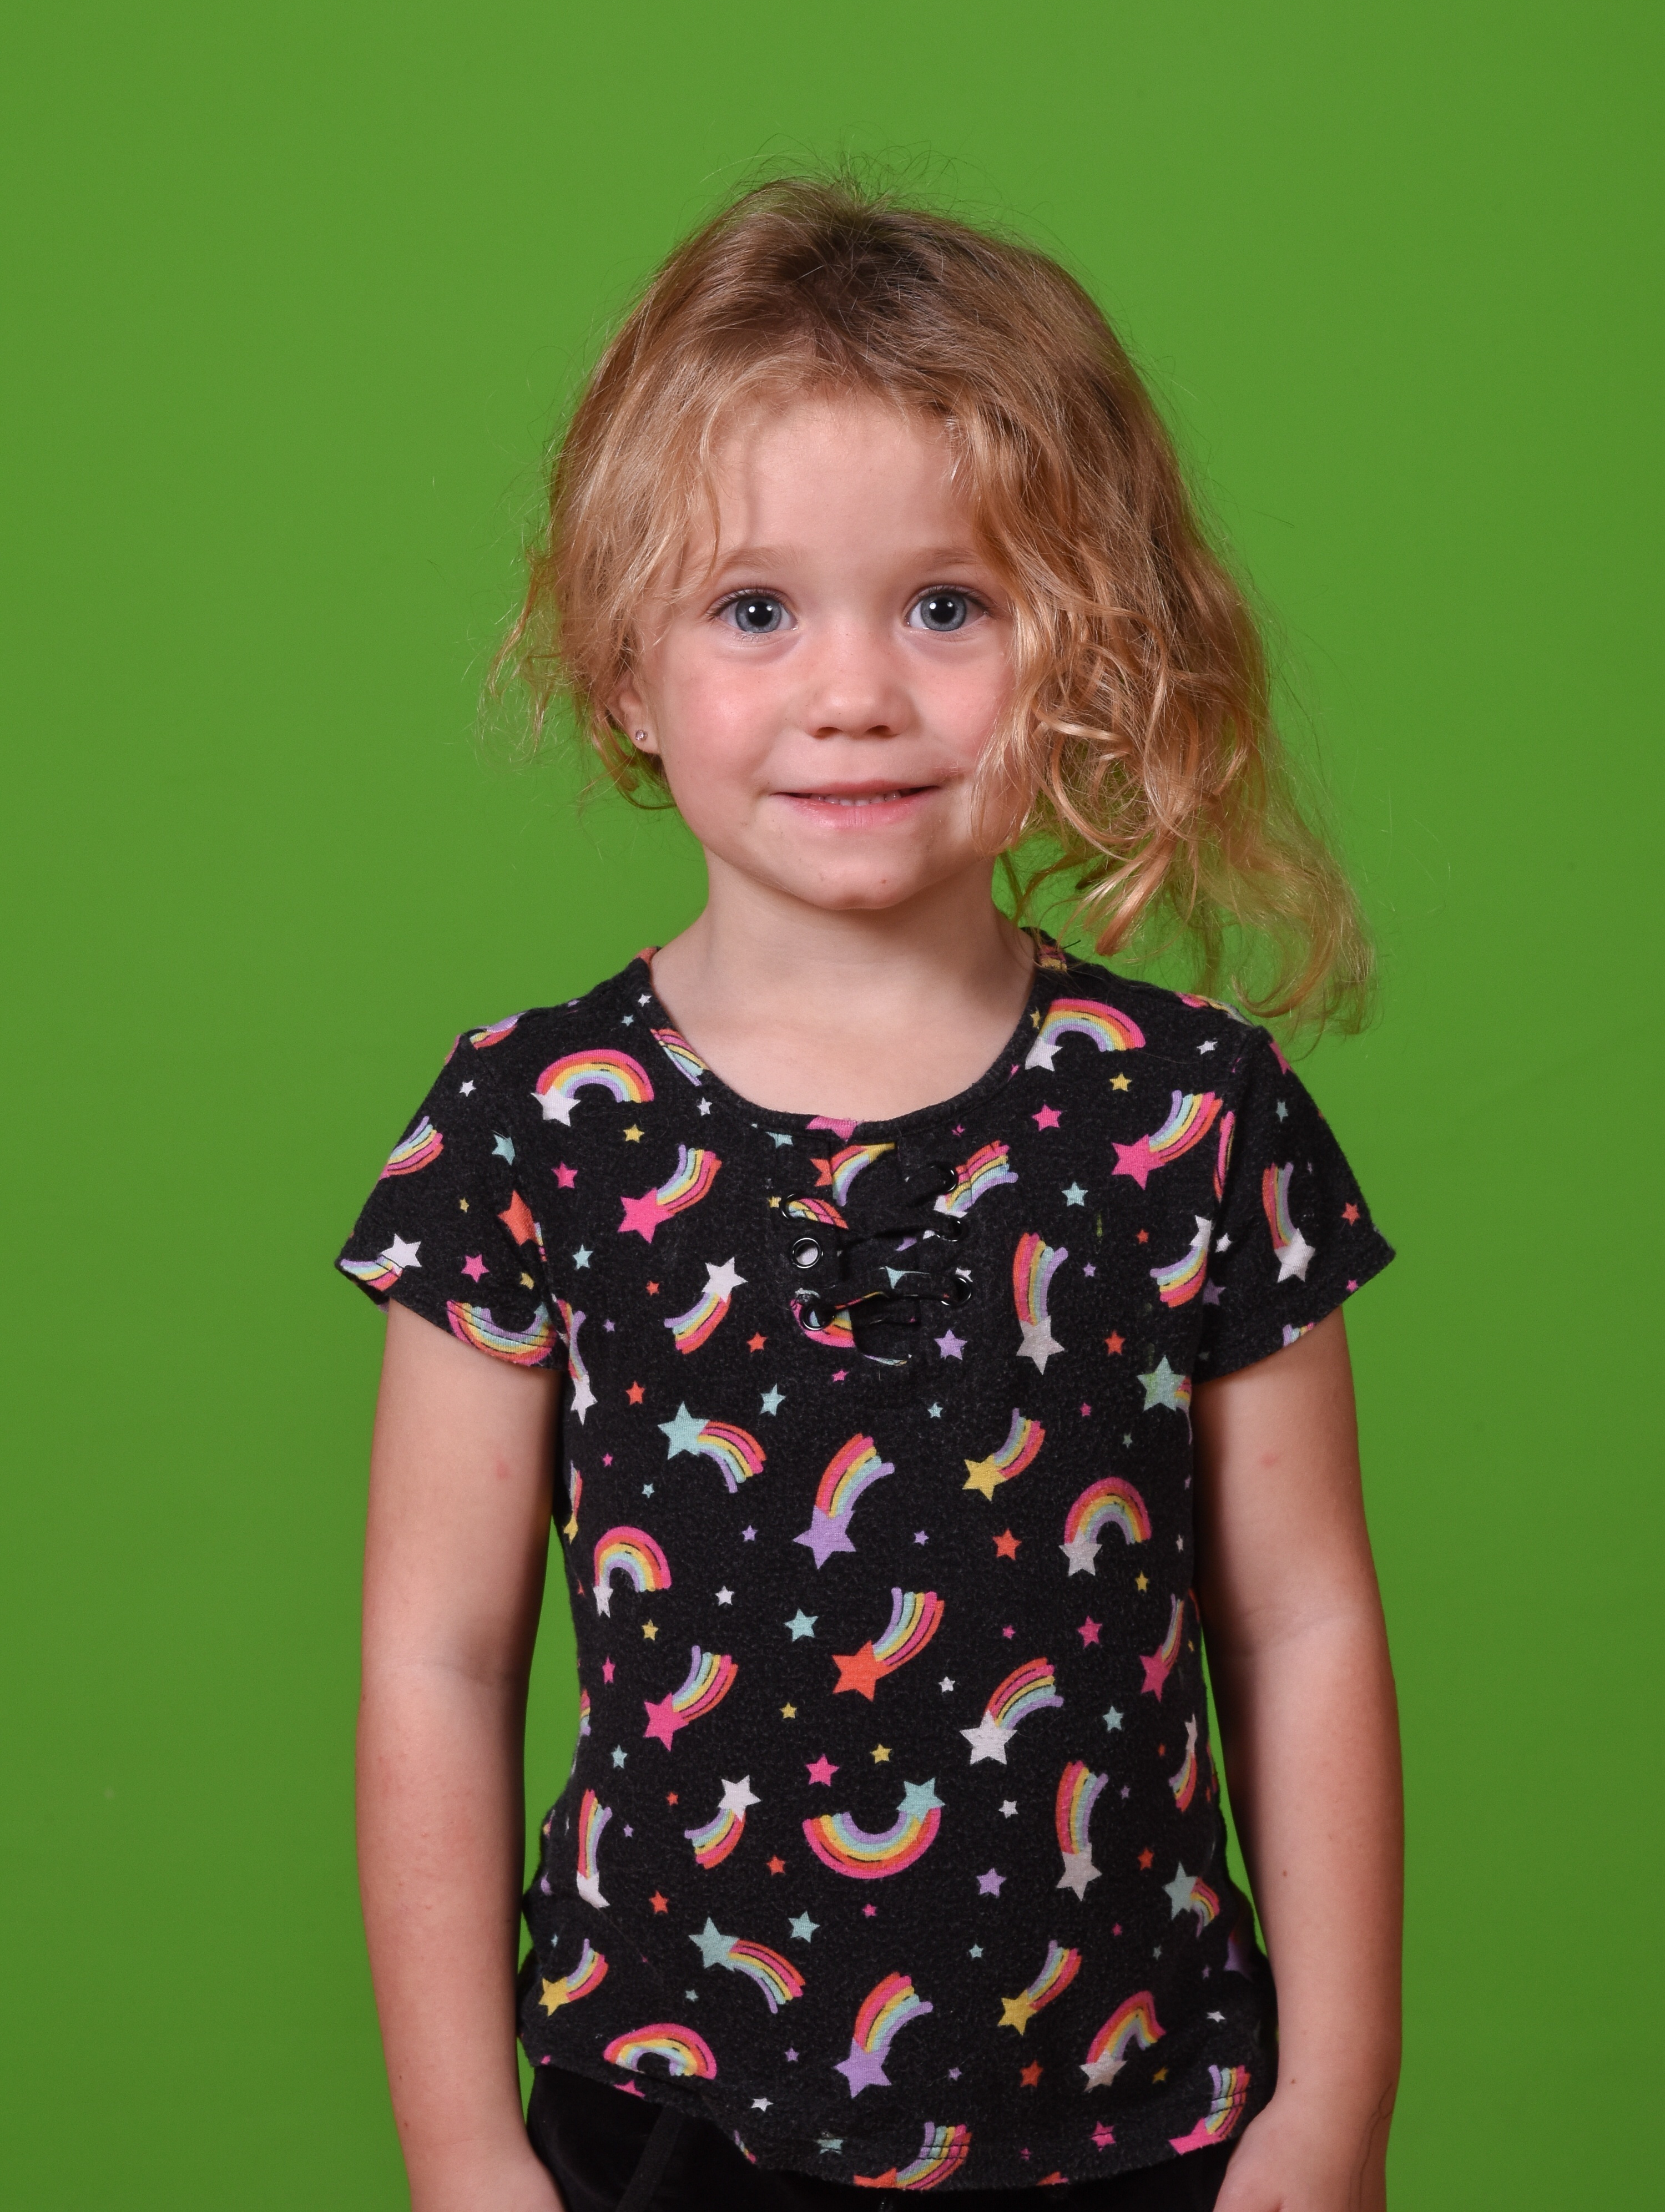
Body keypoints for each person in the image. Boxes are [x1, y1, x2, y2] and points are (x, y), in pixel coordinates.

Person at [340, 180, 1402, 2212]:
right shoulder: (534, 1129)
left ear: (1090, 645)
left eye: (948, 606)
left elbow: (1303, 1622)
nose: (856, 693)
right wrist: (461, 2148)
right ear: (624, 666)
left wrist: (1331, 2106)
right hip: (677, 2113)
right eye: (756, 610)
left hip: (1148, 2112)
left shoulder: (1190, 1117)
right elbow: (438, 1662)